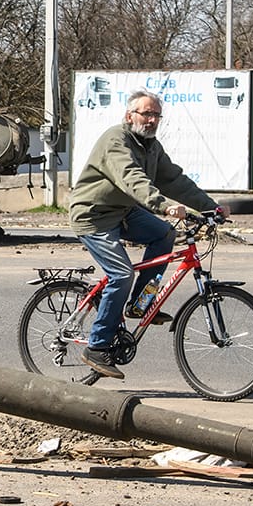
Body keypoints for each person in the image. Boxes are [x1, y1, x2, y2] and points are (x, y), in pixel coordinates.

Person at [68, 89, 217, 380]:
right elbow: (132, 179)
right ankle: (96, 347)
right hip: (93, 215)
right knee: (122, 274)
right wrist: (164, 206)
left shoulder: (151, 146)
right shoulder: (116, 140)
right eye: (145, 114)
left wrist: (211, 207)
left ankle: (140, 305)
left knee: (163, 235)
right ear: (129, 115)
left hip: (123, 212)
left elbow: (174, 179)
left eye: (156, 115)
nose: (151, 120)